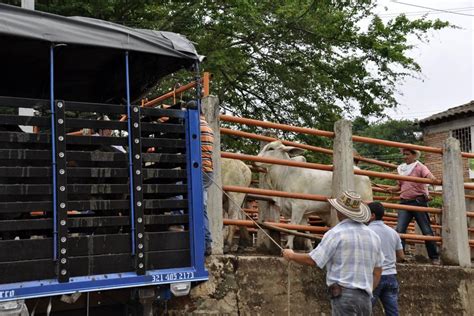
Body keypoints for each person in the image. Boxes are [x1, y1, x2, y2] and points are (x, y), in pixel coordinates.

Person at [282, 190, 384, 316]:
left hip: (343, 295)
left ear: (339, 211)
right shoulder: (374, 236)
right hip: (365, 297)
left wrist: (291, 255)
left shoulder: (336, 233)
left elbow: (314, 259)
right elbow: (378, 272)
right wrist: (366, 290)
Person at [386, 148, 440, 265]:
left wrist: (430, 181)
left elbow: (431, 178)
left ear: (414, 155)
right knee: (400, 230)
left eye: (407, 154)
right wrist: (392, 190)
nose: (405, 157)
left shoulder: (420, 166)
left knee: (426, 230)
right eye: (404, 154)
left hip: (418, 202)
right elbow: (399, 186)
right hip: (404, 202)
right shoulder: (401, 169)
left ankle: (434, 257)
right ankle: (401, 257)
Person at [368, 202, 404, 316]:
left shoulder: (367, 232)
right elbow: (401, 256)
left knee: (365, 310)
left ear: (372, 215)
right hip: (391, 276)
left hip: (374, 276)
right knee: (393, 312)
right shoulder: (393, 232)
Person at [200, 107, 214, 256]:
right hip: (208, 171)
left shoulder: (196, 124)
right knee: (202, 206)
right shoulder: (208, 127)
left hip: (200, 171)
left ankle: (206, 241)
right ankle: (206, 242)